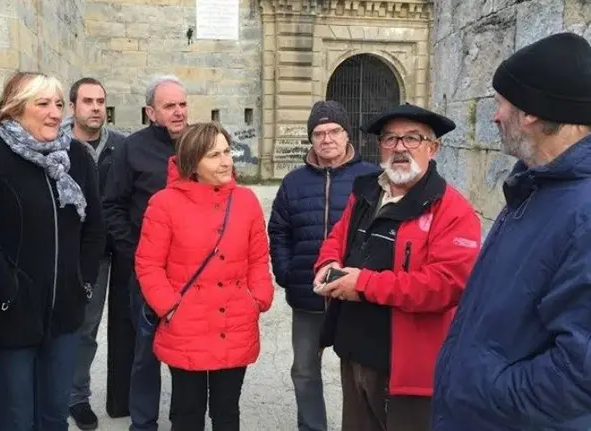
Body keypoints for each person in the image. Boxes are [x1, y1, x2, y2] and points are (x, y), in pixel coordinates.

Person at [433, 32, 591, 431]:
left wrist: (483, 391)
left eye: (502, 102)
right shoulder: (534, 188)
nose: (495, 115)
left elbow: (580, 373)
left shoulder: (583, 212)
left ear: (532, 112)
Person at [313, 103, 481, 431]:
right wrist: (328, 262)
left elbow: (446, 285)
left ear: (433, 148)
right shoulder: (366, 192)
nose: (400, 147)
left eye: (413, 139)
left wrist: (363, 284)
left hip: (407, 369)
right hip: (355, 351)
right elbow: (338, 237)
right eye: (390, 139)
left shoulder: (453, 211)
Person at [0, 71, 105, 431]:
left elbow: (94, 229)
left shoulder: (76, 156)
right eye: (43, 104)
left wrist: (82, 283)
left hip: (64, 314)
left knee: (55, 416)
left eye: (58, 104)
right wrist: (6, 293)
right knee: (16, 419)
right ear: (14, 109)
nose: (55, 113)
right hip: (12, 315)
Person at [136, 122, 274, 430]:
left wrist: (258, 298)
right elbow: (148, 264)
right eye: (214, 155)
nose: (226, 161)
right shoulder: (164, 204)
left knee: (227, 412)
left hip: (235, 320)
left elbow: (257, 258)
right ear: (193, 162)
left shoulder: (246, 200)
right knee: (187, 412)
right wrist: (169, 306)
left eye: (227, 151)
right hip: (186, 323)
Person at [268, 100, 378, 430]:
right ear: (311, 139)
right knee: (304, 369)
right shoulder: (294, 182)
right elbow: (279, 230)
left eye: (334, 131)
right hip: (308, 294)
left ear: (347, 136)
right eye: (318, 133)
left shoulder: (372, 178)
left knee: (362, 372)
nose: (326, 139)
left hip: (356, 296)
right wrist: (286, 272)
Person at [103, 74, 188, 431]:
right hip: (145, 268)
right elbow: (112, 206)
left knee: (187, 348)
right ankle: (143, 422)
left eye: (182, 104)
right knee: (145, 349)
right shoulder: (131, 148)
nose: (179, 112)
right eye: (169, 106)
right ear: (150, 111)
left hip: (190, 269)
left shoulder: (198, 144)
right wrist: (137, 253)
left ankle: (186, 417)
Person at [62, 77, 126, 430]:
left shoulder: (121, 145)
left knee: (124, 325)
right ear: (73, 106)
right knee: (83, 328)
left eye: (101, 101)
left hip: (118, 249)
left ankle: (123, 394)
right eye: (88, 101)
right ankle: (76, 396)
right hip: (79, 253)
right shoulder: (57, 146)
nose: (96, 107)